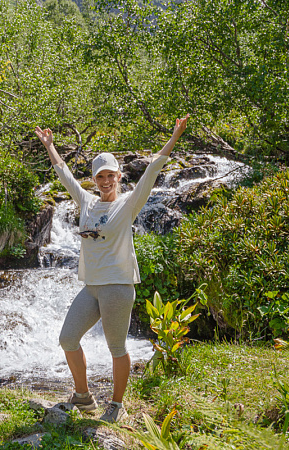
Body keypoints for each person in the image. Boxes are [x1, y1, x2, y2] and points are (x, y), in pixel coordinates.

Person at [34, 115, 189, 423]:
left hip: (118, 286)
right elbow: (64, 175)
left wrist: (174, 137)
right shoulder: (87, 202)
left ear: (119, 176)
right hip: (91, 286)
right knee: (68, 339)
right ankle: (83, 396)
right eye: (100, 177)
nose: (105, 181)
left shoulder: (128, 204)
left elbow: (152, 170)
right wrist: (50, 147)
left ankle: (117, 405)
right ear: (95, 179)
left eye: (110, 176)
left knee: (116, 348)